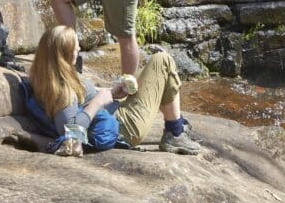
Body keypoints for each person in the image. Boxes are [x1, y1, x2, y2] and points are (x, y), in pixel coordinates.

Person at [28, 25, 200, 155]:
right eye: (76, 46)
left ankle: (176, 125)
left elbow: (82, 96)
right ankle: (176, 132)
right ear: (65, 55)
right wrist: (98, 102)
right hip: (124, 127)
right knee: (163, 61)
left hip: (114, 111)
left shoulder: (48, 73)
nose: (79, 49)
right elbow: (70, 132)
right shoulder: (61, 91)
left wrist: (112, 92)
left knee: (156, 70)